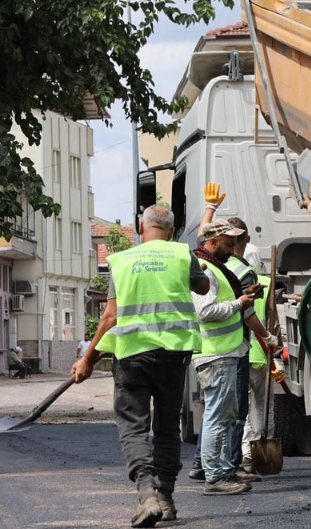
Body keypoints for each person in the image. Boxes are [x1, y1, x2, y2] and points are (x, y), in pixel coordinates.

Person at [70, 204, 210, 528]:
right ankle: (166, 498)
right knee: (167, 428)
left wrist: (88, 359)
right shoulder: (181, 254)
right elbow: (203, 287)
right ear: (172, 231)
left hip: (132, 356)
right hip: (173, 354)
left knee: (133, 427)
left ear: (140, 227)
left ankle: (147, 495)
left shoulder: (122, 261)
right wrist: (196, 268)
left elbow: (110, 316)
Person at [192, 219, 280, 497]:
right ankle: (215, 476)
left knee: (223, 416)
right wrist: (239, 303)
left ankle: (221, 470)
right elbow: (205, 312)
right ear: (212, 242)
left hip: (225, 352)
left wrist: (243, 296)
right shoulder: (206, 269)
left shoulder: (216, 267)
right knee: (217, 418)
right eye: (228, 245)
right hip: (216, 354)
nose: (232, 250)